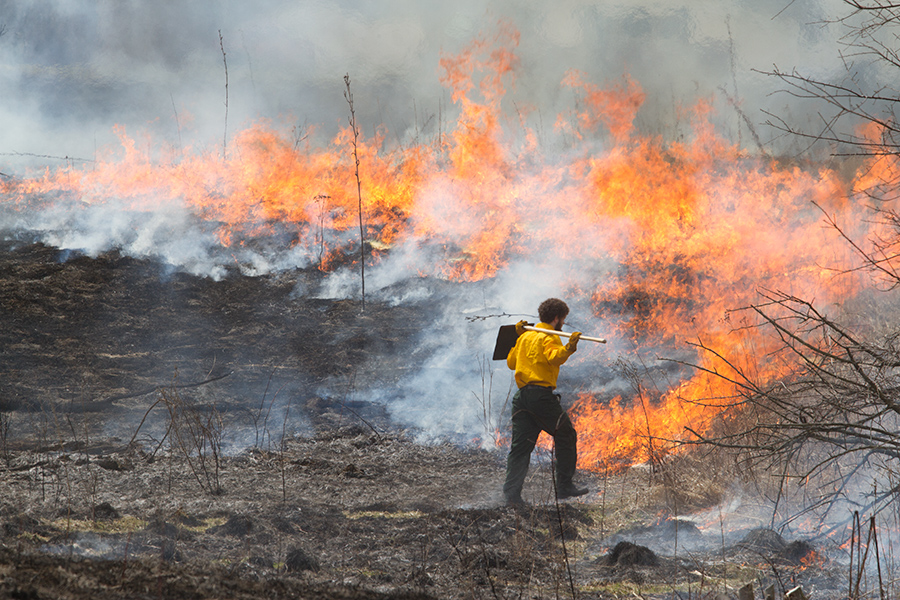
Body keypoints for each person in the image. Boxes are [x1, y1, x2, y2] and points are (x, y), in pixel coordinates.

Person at [503, 298, 589, 506]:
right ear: (557, 318)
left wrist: (518, 338)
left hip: (521, 398)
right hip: (541, 397)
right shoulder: (550, 336)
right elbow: (554, 357)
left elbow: (511, 362)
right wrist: (569, 346)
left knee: (520, 447)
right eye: (563, 320)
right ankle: (565, 486)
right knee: (566, 434)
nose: (563, 325)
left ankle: (512, 496)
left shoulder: (526, 337)